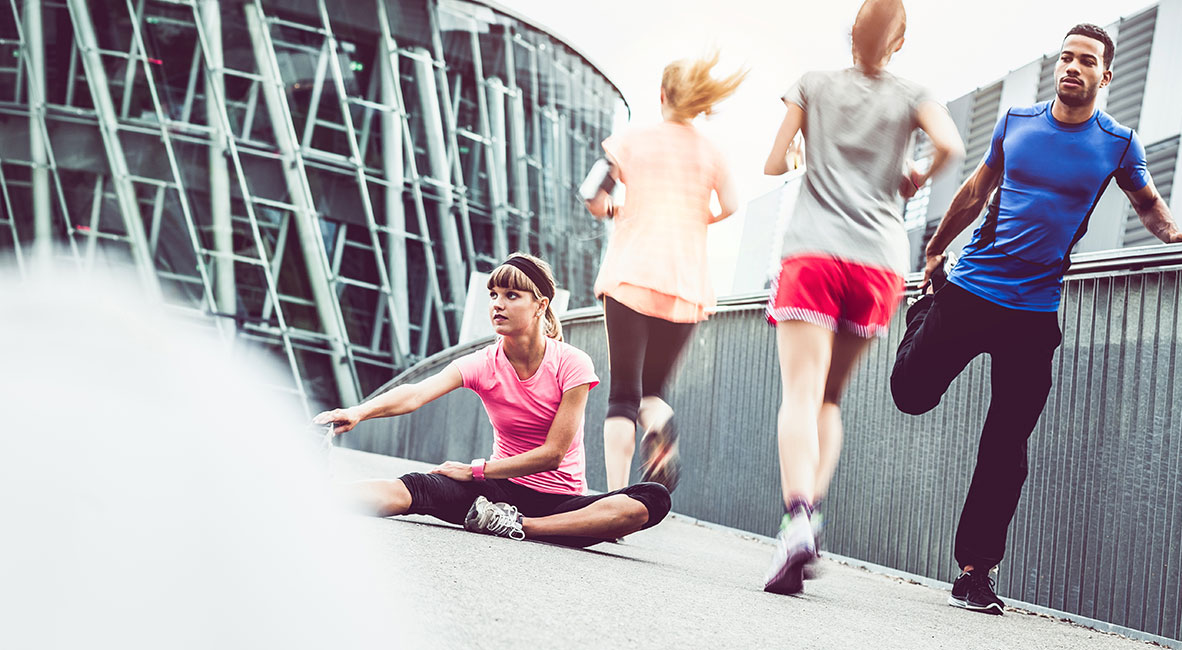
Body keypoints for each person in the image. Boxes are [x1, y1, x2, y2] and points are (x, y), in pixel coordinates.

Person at [890, 23, 1182, 615]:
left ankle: (976, 570)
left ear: (1106, 75)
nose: (1072, 68)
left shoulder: (1118, 142)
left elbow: (1148, 204)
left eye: (1086, 61)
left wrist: (1174, 235)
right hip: (973, 287)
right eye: (1066, 58)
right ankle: (923, 312)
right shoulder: (1016, 123)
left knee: (1007, 446)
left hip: (1034, 312)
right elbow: (978, 190)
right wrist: (934, 250)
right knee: (911, 395)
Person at [759, 0, 964, 595]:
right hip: (878, 261)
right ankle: (812, 516)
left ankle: (796, 516)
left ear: (851, 34)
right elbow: (949, 145)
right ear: (898, 43)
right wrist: (915, 177)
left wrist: (799, 154)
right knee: (830, 398)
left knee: (799, 392)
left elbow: (774, 162)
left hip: (813, 252)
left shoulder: (812, 84)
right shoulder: (912, 92)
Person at [314, 253, 671, 546]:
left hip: (560, 503)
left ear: (540, 305)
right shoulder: (483, 363)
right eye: (494, 295)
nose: (498, 305)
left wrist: (474, 470)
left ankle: (521, 526)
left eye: (511, 296)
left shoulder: (572, 363)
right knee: (418, 487)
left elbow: (553, 454)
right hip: (496, 492)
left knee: (652, 499)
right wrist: (357, 412)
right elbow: (416, 393)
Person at [583, 51, 745, 494]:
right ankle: (662, 419)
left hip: (631, 275)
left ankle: (614, 499)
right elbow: (730, 204)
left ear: (661, 95)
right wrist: (695, 220)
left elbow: (592, 193)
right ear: (698, 103)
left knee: (622, 396)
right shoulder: (712, 152)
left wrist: (611, 207)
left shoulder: (633, 140)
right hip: (686, 286)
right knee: (651, 392)